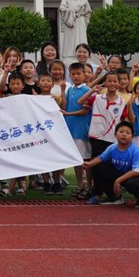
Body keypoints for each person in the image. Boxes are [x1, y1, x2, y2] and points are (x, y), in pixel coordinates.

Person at [83, 121, 139, 208]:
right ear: (115, 135)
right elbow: (101, 157)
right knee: (98, 167)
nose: (124, 135)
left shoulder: (135, 151)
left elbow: (137, 171)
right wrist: (89, 164)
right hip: (123, 175)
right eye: (121, 132)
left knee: (132, 184)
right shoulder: (112, 148)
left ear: (132, 137)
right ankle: (114, 197)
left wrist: (118, 181)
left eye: (128, 133)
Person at [61, 62, 91, 199]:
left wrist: (68, 115)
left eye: (79, 73)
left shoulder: (87, 91)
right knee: (76, 159)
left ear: (84, 75)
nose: (76, 76)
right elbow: (65, 106)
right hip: (70, 129)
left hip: (82, 129)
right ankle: (80, 185)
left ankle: (88, 186)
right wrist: (62, 91)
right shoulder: (70, 89)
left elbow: (85, 110)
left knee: (85, 159)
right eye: (73, 74)